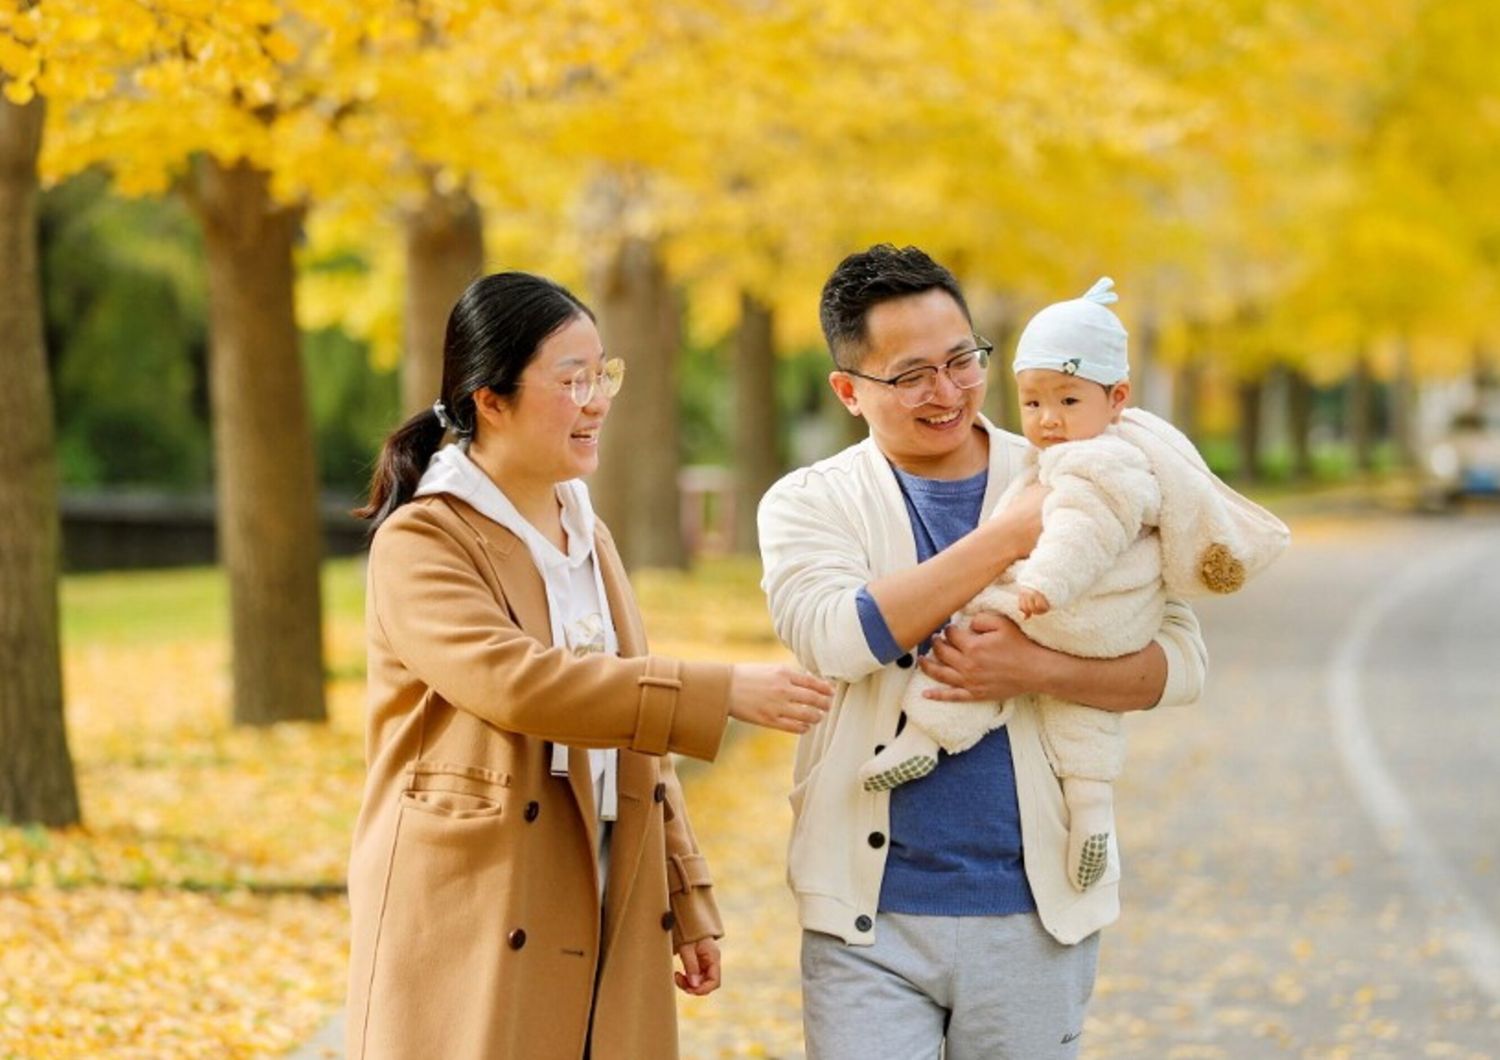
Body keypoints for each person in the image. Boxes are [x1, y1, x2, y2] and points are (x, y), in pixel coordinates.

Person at [345, 271, 833, 1060]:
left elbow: (636, 735)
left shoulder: (587, 530)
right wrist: (724, 690)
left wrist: (688, 895)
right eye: (572, 379)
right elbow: (518, 683)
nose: (598, 399)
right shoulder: (424, 541)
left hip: (608, 880)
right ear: (489, 400)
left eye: (603, 373)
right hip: (477, 901)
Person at [757, 245, 1209, 1058]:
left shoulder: (1080, 465)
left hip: (1034, 914)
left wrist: (1038, 670)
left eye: (963, 360)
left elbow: (1181, 662)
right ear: (849, 390)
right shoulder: (808, 501)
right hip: (868, 921)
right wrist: (1007, 537)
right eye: (912, 374)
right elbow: (833, 633)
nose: (949, 391)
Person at [861, 277, 1289, 894]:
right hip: (1106, 624)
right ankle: (1090, 819)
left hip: (1074, 605)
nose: (1048, 421)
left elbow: (1082, 531)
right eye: (1033, 404)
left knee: (976, 633)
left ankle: (926, 735)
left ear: (1116, 399)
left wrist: (1044, 586)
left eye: (1067, 403)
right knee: (1084, 733)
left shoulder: (1099, 462)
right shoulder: (1083, 452)